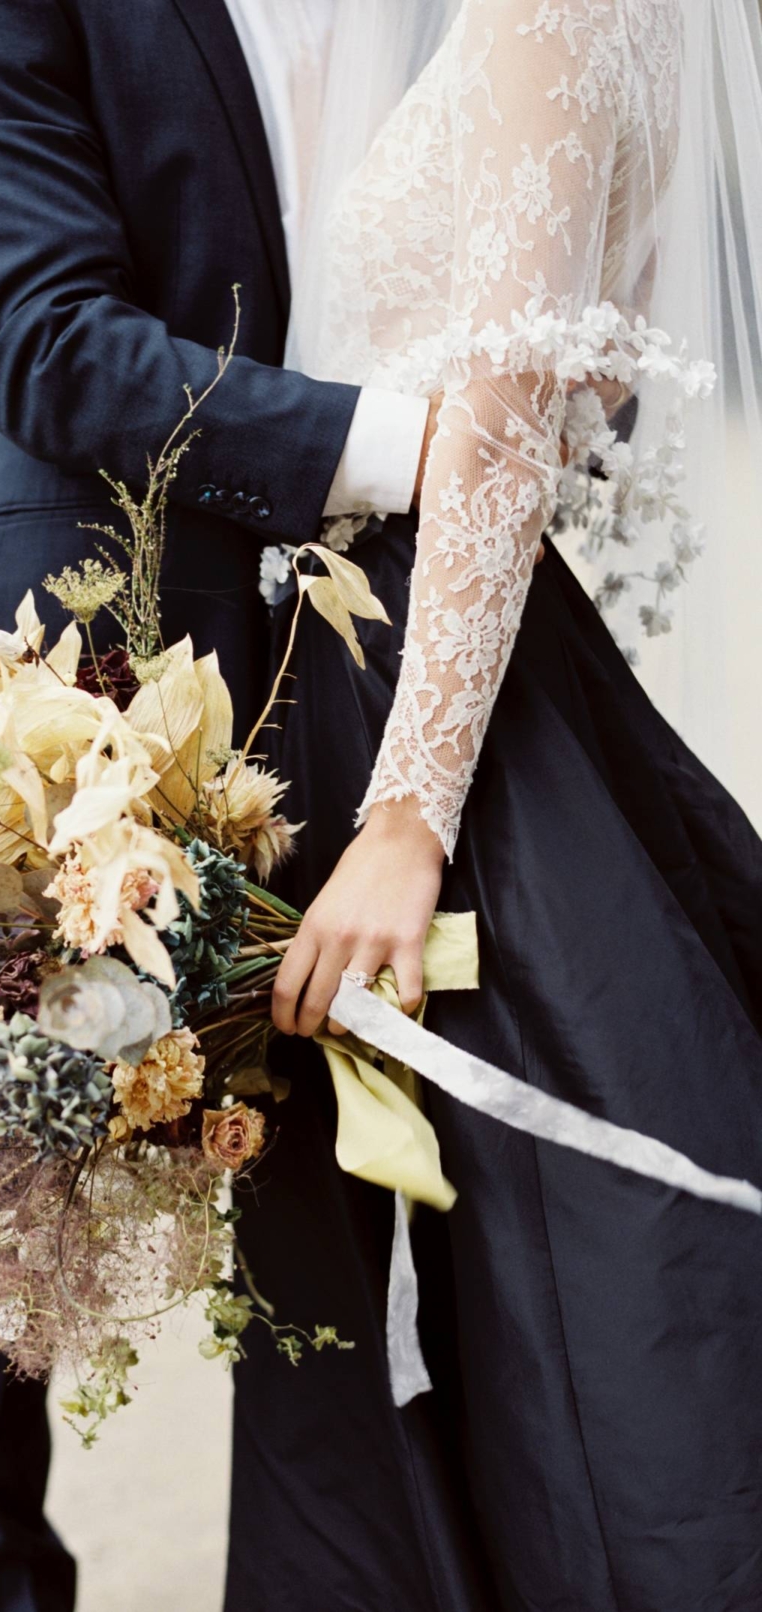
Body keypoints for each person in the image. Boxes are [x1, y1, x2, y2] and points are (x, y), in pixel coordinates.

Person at [0, 3, 440, 1607]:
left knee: (352, 1213)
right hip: (77, 675)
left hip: (383, 678)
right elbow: (38, 333)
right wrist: (407, 446)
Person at [232, 1, 762, 1608]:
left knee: (566, 1285)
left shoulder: (559, 11)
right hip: (389, 659)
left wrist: (407, 820)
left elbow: (507, 417)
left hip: (438, 705)